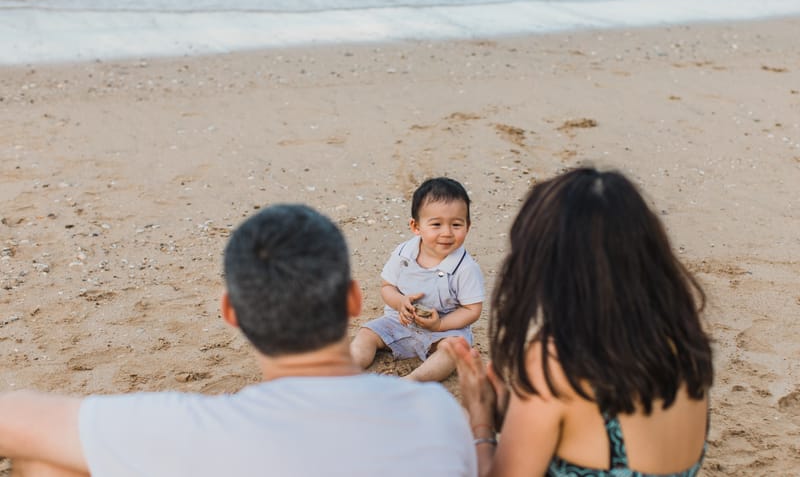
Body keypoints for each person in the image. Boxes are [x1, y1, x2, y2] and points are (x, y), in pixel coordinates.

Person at [0, 204, 477, 477]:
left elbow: (13, 416)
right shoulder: (435, 414)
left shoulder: (194, 425)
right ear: (353, 300)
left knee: (44, 458)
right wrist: (480, 424)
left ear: (232, 313)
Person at [442, 167, 714, 477]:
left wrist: (481, 421)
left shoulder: (558, 362)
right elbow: (591, 435)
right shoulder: (684, 340)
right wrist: (515, 412)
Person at [350, 177, 485, 381]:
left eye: (456, 224)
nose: (447, 233)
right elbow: (388, 286)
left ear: (468, 225)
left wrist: (440, 325)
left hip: (445, 330)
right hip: (400, 322)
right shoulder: (404, 253)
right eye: (436, 224)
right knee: (367, 333)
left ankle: (412, 381)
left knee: (453, 349)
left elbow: (472, 310)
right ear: (416, 226)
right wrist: (400, 302)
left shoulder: (465, 268)